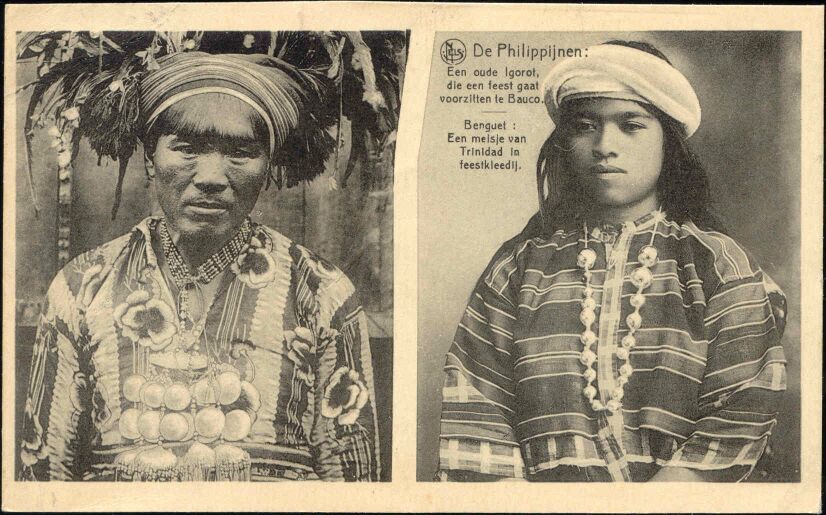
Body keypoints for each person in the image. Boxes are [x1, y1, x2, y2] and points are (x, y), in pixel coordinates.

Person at [19, 50, 380, 481]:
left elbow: (357, 483)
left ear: (267, 167)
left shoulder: (322, 292)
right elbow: (44, 480)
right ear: (150, 159)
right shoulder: (81, 288)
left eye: (241, 153)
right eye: (187, 149)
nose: (211, 176)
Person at [437, 41, 787, 482]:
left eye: (630, 125)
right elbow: (477, 412)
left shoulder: (717, 265)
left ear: (668, 142)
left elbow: (743, 406)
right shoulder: (518, 269)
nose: (605, 146)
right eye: (585, 127)